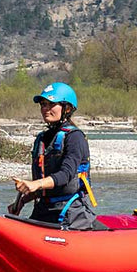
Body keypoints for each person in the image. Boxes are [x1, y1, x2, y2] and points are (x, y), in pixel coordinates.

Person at [9, 82, 99, 230]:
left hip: (71, 213)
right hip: (43, 210)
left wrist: (35, 184)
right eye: (43, 104)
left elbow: (65, 175)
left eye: (51, 104)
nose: (45, 109)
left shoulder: (75, 137)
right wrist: (23, 201)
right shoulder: (42, 138)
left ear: (67, 108)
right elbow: (46, 186)